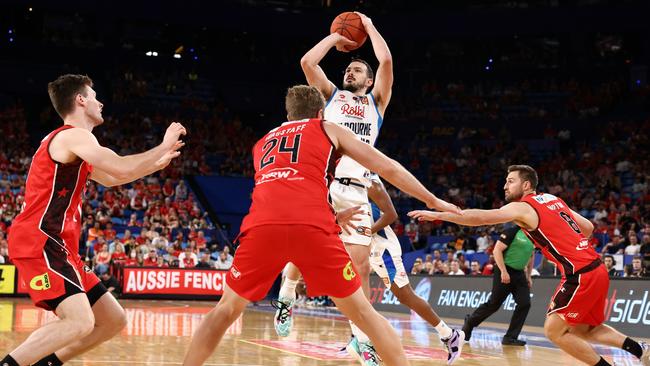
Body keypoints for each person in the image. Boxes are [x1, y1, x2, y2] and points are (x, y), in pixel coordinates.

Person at [182, 85, 460, 366]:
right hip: (312, 226)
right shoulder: (327, 128)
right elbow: (387, 167)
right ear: (320, 113)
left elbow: (285, 188)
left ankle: (282, 300)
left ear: (288, 113)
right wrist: (433, 200)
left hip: (262, 226)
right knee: (364, 314)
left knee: (225, 310)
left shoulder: (263, 142)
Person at [2, 74, 185, 366]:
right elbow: (122, 169)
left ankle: (45, 363)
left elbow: (113, 179)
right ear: (80, 100)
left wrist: (155, 163)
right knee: (79, 321)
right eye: (95, 95)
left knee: (112, 320)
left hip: (61, 244)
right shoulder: (72, 135)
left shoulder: (78, 145)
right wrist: (162, 146)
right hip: (41, 238)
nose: (100, 102)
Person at [409, 165, 650, 366]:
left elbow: (479, 218)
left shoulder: (523, 207)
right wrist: (566, 244)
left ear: (526, 186)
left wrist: (440, 214)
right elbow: (587, 227)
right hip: (596, 268)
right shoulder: (553, 199)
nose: (505, 185)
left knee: (554, 331)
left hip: (580, 275)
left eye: (510, 181)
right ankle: (640, 350)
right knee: (582, 330)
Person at [277, 12, 395, 364]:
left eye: (357, 69)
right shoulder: (331, 97)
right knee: (303, 248)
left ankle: (360, 340)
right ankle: (286, 297)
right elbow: (307, 62)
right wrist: (335, 37)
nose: (350, 72)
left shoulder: (377, 102)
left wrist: (370, 26)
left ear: (370, 79)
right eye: (349, 69)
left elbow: (386, 59)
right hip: (322, 184)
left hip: (358, 190)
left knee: (358, 270)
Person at [366, 176, 464, 364]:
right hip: (368, 248)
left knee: (405, 295)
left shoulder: (369, 182)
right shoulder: (341, 185)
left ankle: (448, 334)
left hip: (383, 248)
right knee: (363, 292)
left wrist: (367, 231)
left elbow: (391, 215)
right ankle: (360, 340)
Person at [462, 227, 534, 346]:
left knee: (525, 303)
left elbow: (531, 256)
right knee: (494, 304)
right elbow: (497, 251)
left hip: (520, 274)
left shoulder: (534, 235)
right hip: (504, 269)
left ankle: (510, 337)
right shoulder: (512, 231)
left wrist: (529, 276)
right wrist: (503, 271)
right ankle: (470, 322)